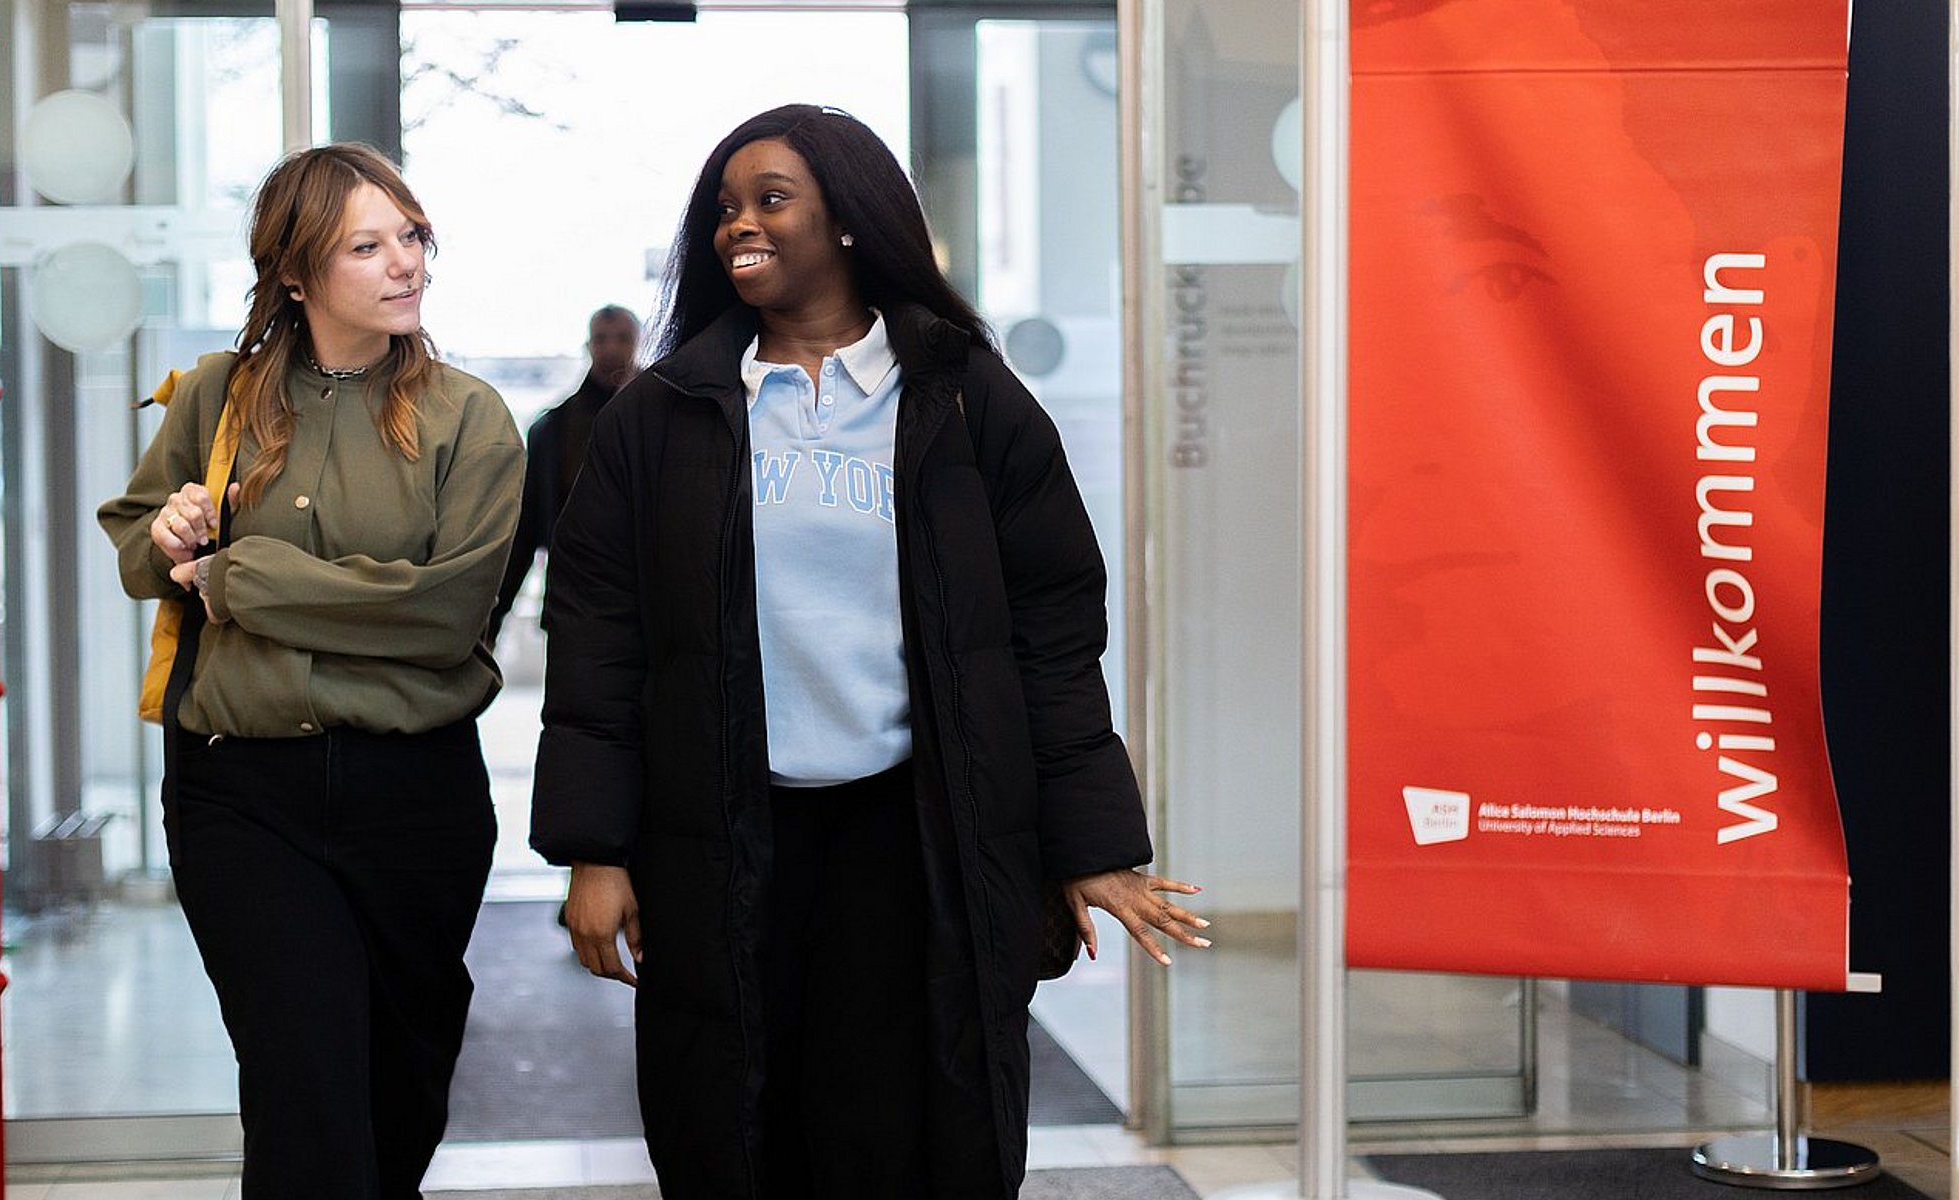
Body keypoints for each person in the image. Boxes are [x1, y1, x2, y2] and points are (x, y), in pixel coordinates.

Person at [529, 104, 1209, 1200]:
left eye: (768, 199)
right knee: (734, 1121)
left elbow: (1046, 634)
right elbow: (599, 641)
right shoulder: (664, 416)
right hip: (721, 835)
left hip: (916, 836)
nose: (736, 226)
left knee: (911, 1122)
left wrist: (1089, 841)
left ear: (848, 219)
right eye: (724, 207)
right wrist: (593, 850)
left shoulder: (963, 397)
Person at [95, 142, 522, 1200]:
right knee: (303, 1091)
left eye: (411, 236)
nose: (404, 264)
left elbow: (444, 613)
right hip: (241, 791)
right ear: (294, 273)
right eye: (366, 246)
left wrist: (239, 577)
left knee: (402, 1082)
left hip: (414, 788)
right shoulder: (216, 396)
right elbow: (137, 546)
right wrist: (169, 536)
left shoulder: (471, 418)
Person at [488, 304, 642, 638]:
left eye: (622, 338)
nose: (612, 348)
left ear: (637, 342)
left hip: (649, 600)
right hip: (575, 599)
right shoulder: (553, 430)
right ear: (589, 346)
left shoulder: (667, 418)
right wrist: (494, 617)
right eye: (602, 338)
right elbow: (528, 525)